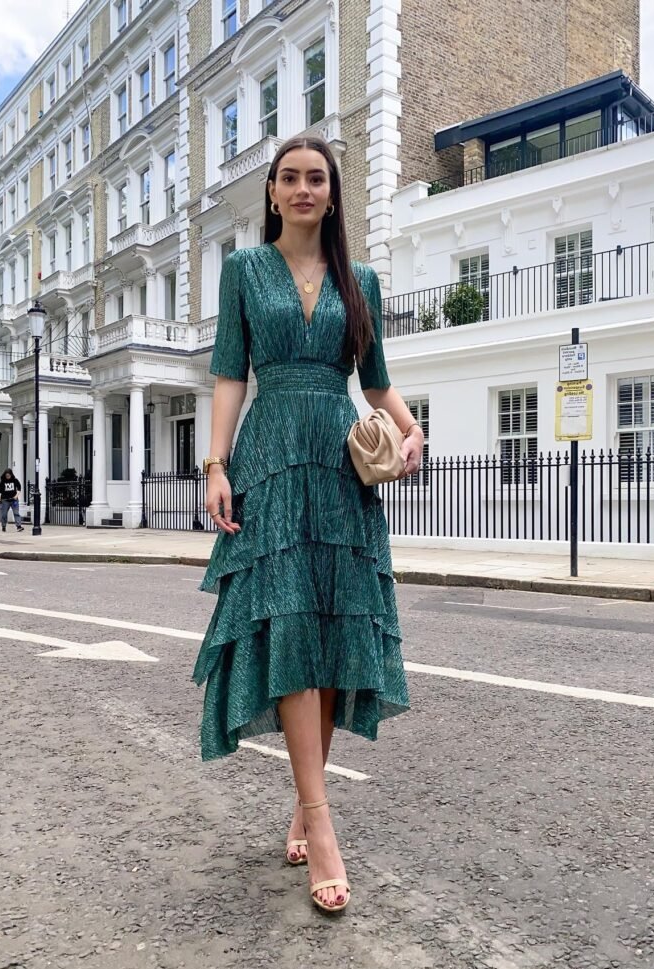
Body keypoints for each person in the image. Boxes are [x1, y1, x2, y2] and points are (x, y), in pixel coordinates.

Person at [193, 135, 424, 913]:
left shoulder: (361, 281)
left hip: (338, 465)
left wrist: (410, 426)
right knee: (290, 620)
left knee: (327, 632)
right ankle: (320, 823)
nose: (301, 188)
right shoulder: (243, 272)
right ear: (271, 193)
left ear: (331, 194)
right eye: (288, 177)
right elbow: (230, 373)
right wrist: (216, 465)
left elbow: (378, 384)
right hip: (268, 458)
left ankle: (303, 800)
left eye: (314, 178)